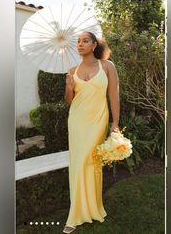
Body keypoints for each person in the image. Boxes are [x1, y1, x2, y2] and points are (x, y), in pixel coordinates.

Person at [63, 31, 120, 233]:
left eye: (85, 41)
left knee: (91, 160)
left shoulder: (107, 66)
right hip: (77, 121)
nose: (80, 44)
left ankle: (92, 207)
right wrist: (69, 87)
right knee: (79, 164)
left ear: (94, 44)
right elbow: (69, 101)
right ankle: (76, 213)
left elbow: (113, 94)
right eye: (78, 41)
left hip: (98, 120)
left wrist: (115, 123)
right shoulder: (72, 70)